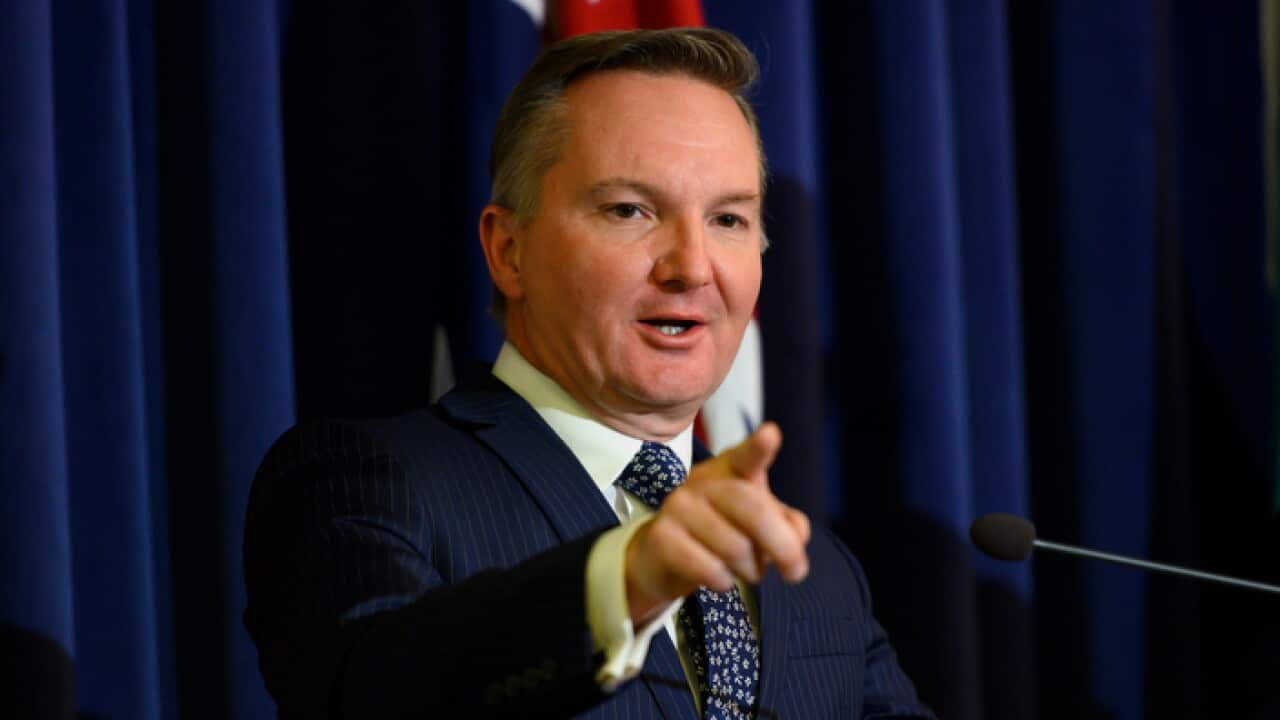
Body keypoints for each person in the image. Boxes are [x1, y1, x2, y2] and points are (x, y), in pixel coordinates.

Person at [244, 28, 935, 719]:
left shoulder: (818, 572)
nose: (692, 267)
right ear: (509, 251)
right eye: (629, 210)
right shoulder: (364, 481)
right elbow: (368, 692)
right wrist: (626, 580)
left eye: (728, 218)